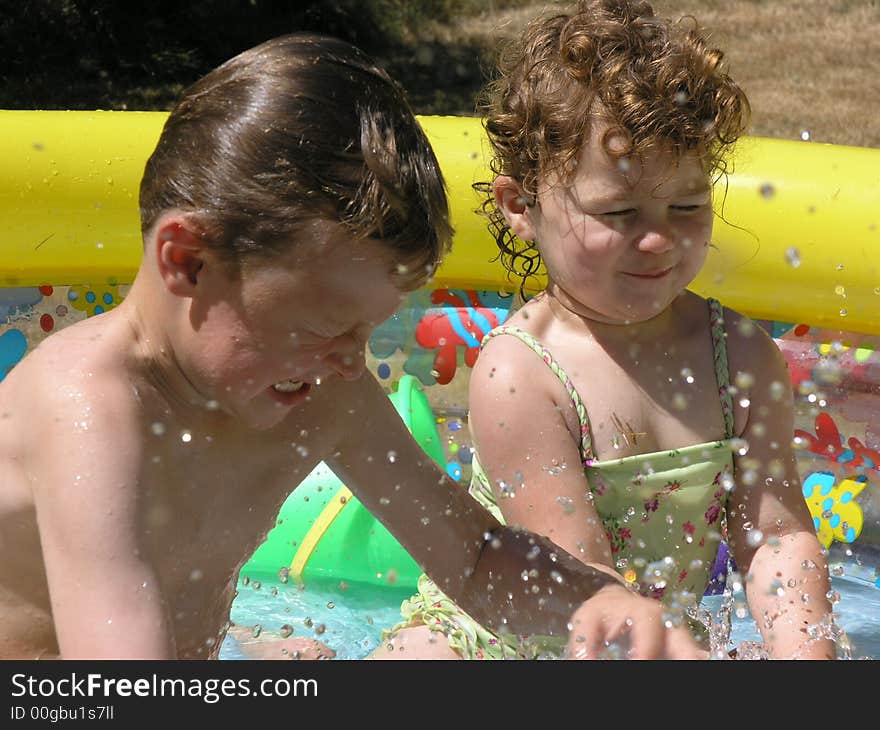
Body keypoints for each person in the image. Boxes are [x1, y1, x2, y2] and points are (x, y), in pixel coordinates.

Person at [0, 32, 702, 660]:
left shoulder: (312, 384)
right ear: (187, 261)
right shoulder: (87, 411)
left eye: (366, 333)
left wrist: (598, 603)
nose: (347, 361)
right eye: (321, 328)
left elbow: (475, 559)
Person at [375, 0, 835, 660]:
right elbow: (580, 585)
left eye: (688, 205)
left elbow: (779, 542)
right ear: (520, 206)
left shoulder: (738, 356)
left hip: (655, 637)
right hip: (497, 638)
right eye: (618, 211)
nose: (658, 239)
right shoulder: (523, 374)